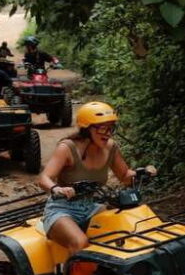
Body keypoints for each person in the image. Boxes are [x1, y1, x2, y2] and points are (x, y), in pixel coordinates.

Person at [38, 101, 156, 254]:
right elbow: (44, 178)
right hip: (62, 209)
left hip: (92, 207)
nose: (107, 133)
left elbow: (125, 176)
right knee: (80, 243)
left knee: (126, 229)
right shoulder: (67, 148)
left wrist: (144, 172)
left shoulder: (111, 148)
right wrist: (57, 189)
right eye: (102, 128)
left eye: (111, 128)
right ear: (87, 129)